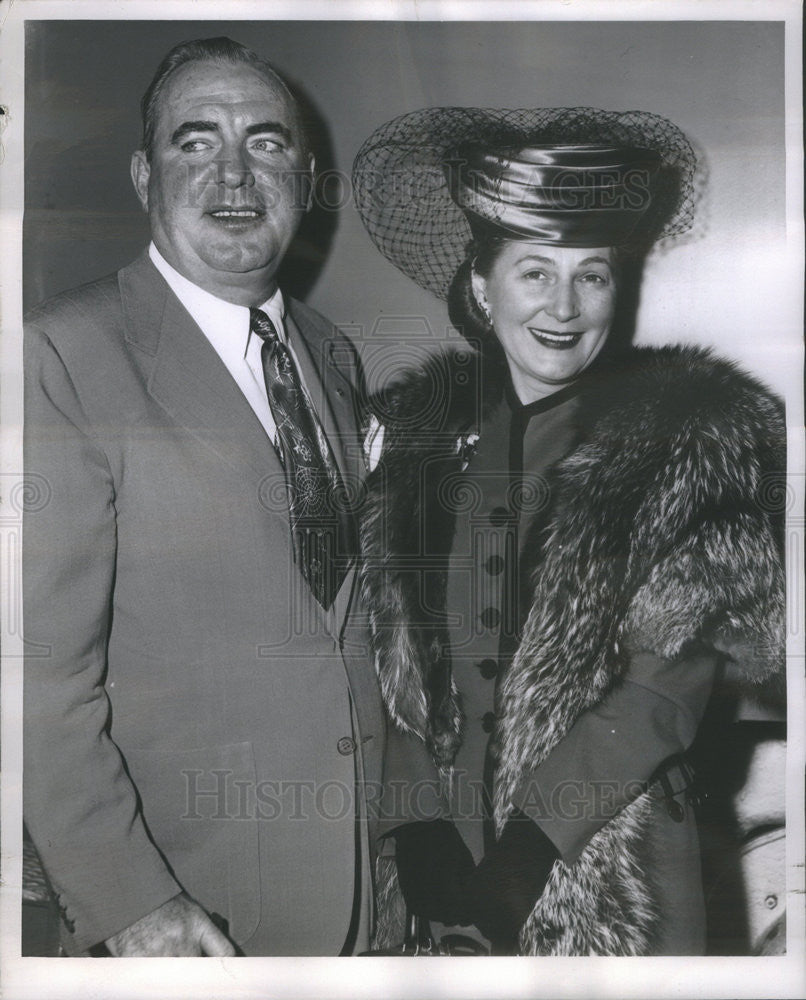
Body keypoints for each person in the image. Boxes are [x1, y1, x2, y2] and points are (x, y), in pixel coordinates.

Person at [352, 107, 786, 955]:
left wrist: (531, 847)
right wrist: (415, 819)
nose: (565, 305)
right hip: (449, 868)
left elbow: (666, 689)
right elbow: (390, 654)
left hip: (610, 864)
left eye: (592, 275)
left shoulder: (691, 437)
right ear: (482, 288)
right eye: (535, 273)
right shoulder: (416, 440)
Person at [23, 37, 385, 957]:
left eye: (266, 142)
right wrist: (129, 903)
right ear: (146, 174)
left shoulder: (333, 356)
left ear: (303, 177)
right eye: (197, 141)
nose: (235, 172)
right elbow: (32, 677)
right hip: (186, 914)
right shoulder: (60, 358)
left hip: (367, 905)